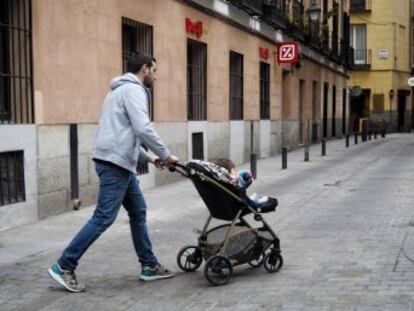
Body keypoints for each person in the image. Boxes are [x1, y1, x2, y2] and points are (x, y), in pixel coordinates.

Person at [48, 53, 179, 292]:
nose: (156, 76)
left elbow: (123, 134)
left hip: (118, 162)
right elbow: (143, 128)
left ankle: (149, 265)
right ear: (144, 69)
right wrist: (166, 154)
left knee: (138, 211)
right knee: (104, 217)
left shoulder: (116, 91)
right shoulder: (134, 90)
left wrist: (149, 157)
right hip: (115, 164)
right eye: (154, 70)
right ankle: (64, 265)